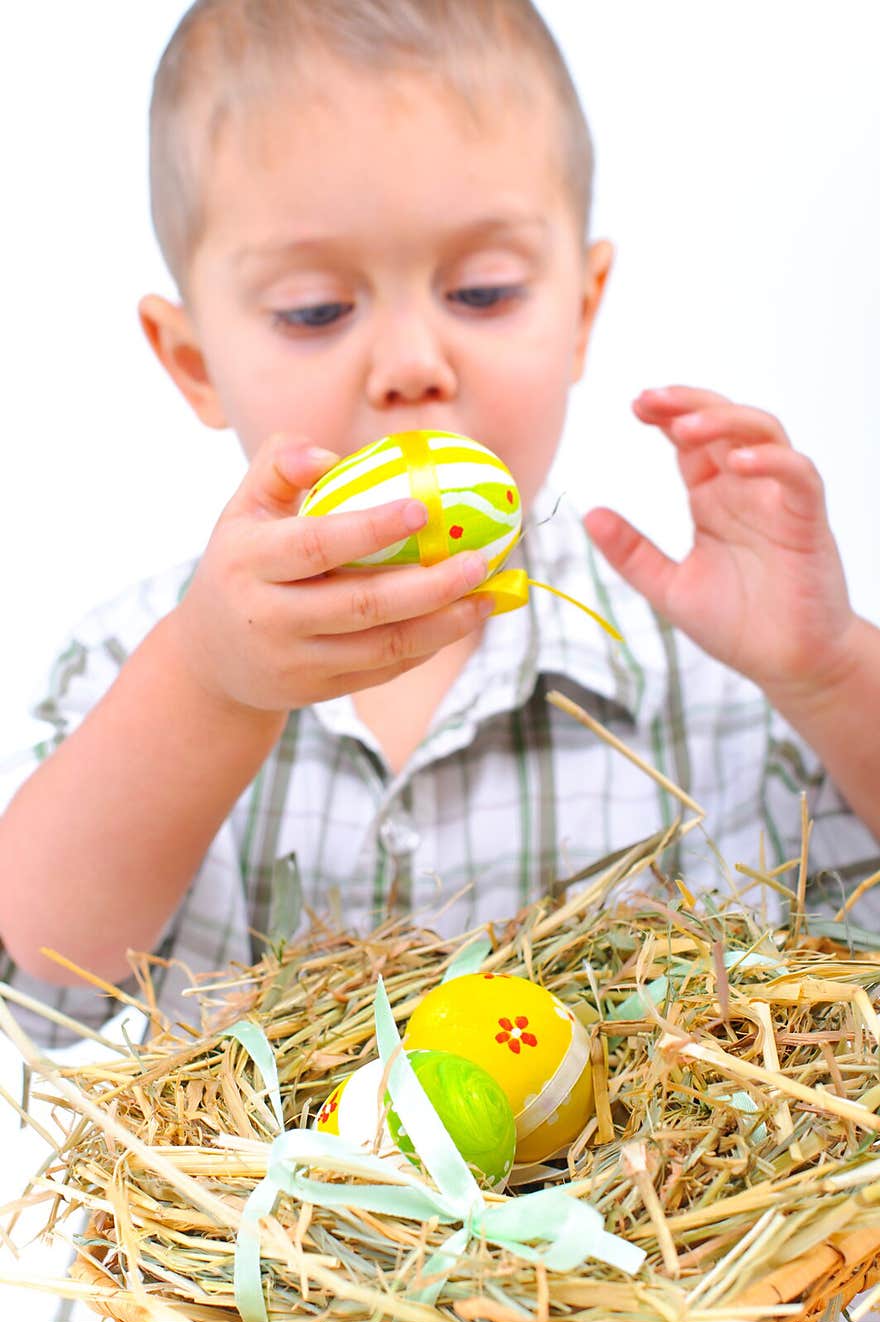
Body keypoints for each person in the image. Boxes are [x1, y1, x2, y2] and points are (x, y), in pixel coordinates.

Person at [1, 0, 878, 1048]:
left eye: (482, 291)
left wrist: (826, 671)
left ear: (582, 312)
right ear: (194, 363)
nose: (414, 362)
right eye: (316, 310)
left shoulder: (708, 669)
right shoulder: (141, 661)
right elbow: (41, 971)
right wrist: (206, 682)